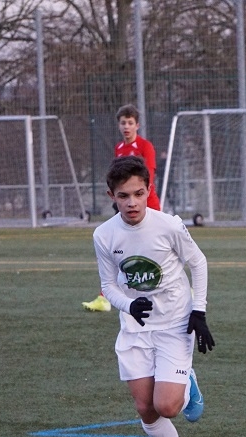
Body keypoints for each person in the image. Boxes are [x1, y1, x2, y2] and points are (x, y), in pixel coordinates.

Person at [92, 156, 216, 437]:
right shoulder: (104, 235)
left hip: (175, 323)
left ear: (149, 190)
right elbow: (109, 286)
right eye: (123, 196)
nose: (132, 202)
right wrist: (129, 305)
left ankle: (187, 382)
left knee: (167, 406)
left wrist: (199, 312)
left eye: (138, 193)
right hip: (136, 328)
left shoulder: (168, 226)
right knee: (146, 407)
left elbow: (198, 263)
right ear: (112, 196)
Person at [84, 104, 162, 313]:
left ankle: (181, 287)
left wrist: (139, 198)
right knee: (118, 249)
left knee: (159, 249)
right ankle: (105, 296)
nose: (126, 127)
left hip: (148, 205)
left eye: (130, 123)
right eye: (123, 123)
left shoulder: (145, 146)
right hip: (126, 206)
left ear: (137, 125)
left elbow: (148, 177)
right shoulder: (119, 148)